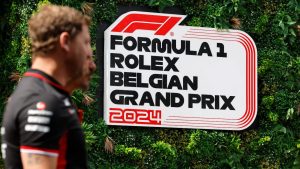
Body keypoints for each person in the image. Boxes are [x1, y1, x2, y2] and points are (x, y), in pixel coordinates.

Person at [1, 4, 96, 169]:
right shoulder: (42, 101)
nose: (92, 63)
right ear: (65, 42)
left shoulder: (41, 93)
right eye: (86, 43)